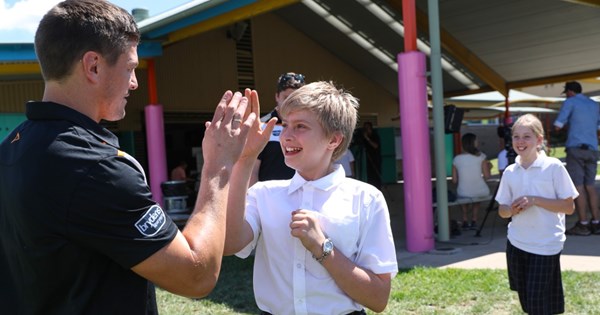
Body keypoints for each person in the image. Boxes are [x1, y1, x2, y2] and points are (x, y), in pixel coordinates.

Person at [0, 1, 270, 313]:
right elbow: (196, 275)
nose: (134, 82)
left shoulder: (11, 147)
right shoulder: (94, 167)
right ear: (93, 66)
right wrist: (218, 165)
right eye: (129, 68)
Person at [224, 81, 398, 314]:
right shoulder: (263, 194)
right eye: (285, 125)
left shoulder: (366, 199)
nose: (286, 136)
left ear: (334, 140)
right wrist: (245, 159)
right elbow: (230, 244)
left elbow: (378, 299)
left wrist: (323, 248)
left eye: (300, 127)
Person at [496, 114, 578, 315]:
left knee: (535, 302)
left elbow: (569, 207)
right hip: (516, 243)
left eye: (527, 136)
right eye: (516, 136)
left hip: (545, 244)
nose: (520, 141)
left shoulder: (554, 167)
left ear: (539, 140)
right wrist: (511, 210)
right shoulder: (510, 172)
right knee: (527, 300)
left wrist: (535, 200)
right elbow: (502, 211)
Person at [553, 81, 600, 236]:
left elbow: (558, 125)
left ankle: (583, 224)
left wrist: (567, 127)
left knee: (578, 187)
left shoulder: (570, 102)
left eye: (566, 92)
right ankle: (596, 222)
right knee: (590, 186)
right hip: (592, 149)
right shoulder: (594, 105)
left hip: (576, 148)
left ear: (570, 92)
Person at [249, 72, 306, 185]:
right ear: (277, 96)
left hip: (302, 196)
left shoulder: (309, 125)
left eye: (295, 98)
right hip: (268, 198)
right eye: (286, 97)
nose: (290, 103)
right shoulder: (261, 125)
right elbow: (252, 170)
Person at [452, 133, 492, 230]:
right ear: (473, 143)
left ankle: (465, 219)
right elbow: (487, 177)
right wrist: (490, 167)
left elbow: (454, 180)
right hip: (481, 191)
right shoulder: (481, 157)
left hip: (463, 192)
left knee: (462, 193)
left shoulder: (456, 159)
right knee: (477, 194)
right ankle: (474, 220)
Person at [361, 121, 382, 189]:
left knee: (376, 175)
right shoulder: (364, 137)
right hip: (368, 158)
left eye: (367, 128)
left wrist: (367, 138)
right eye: (365, 128)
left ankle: (378, 188)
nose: (366, 130)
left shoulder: (375, 135)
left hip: (376, 158)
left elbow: (375, 146)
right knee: (370, 176)